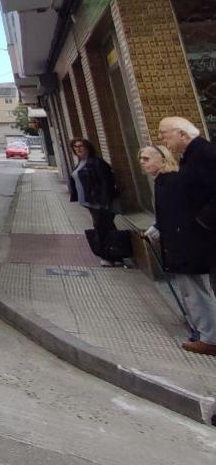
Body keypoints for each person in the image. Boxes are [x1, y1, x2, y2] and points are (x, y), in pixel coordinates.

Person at [140, 141, 216, 355]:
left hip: (186, 247)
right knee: (193, 291)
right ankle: (203, 331)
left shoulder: (172, 181)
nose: (142, 163)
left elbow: (181, 215)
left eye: (147, 158)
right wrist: (154, 231)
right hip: (183, 245)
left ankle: (210, 338)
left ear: (163, 159)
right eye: (141, 159)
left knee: (195, 292)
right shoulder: (162, 181)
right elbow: (167, 216)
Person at [158, 116, 216, 335]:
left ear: (182, 134)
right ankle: (209, 338)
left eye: (164, 133)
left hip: (206, 234)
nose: (161, 138)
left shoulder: (204, 154)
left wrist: (202, 222)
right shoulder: (190, 156)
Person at [67, 138, 124, 266]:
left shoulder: (96, 162)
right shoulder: (81, 162)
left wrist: (104, 201)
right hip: (89, 203)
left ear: (88, 147)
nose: (78, 149)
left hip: (99, 202)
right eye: (75, 147)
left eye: (81, 146)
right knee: (105, 227)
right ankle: (115, 255)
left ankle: (109, 256)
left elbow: (106, 182)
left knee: (102, 227)